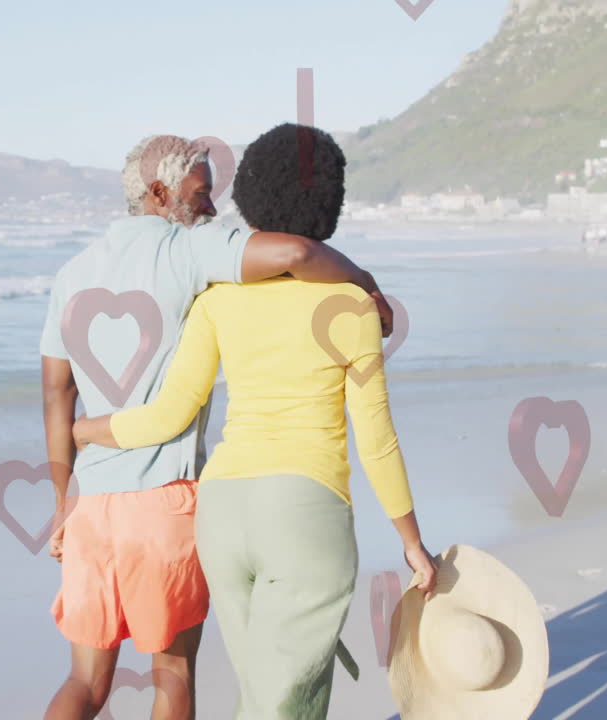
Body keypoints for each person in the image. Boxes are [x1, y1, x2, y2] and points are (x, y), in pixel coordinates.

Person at [71, 124, 439, 719]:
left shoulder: (218, 297)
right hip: (304, 515)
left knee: (268, 698)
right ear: (330, 202)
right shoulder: (351, 304)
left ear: (252, 197)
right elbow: (376, 437)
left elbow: (170, 414)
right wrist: (412, 542)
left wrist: (87, 430)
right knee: (281, 708)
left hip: (222, 516)